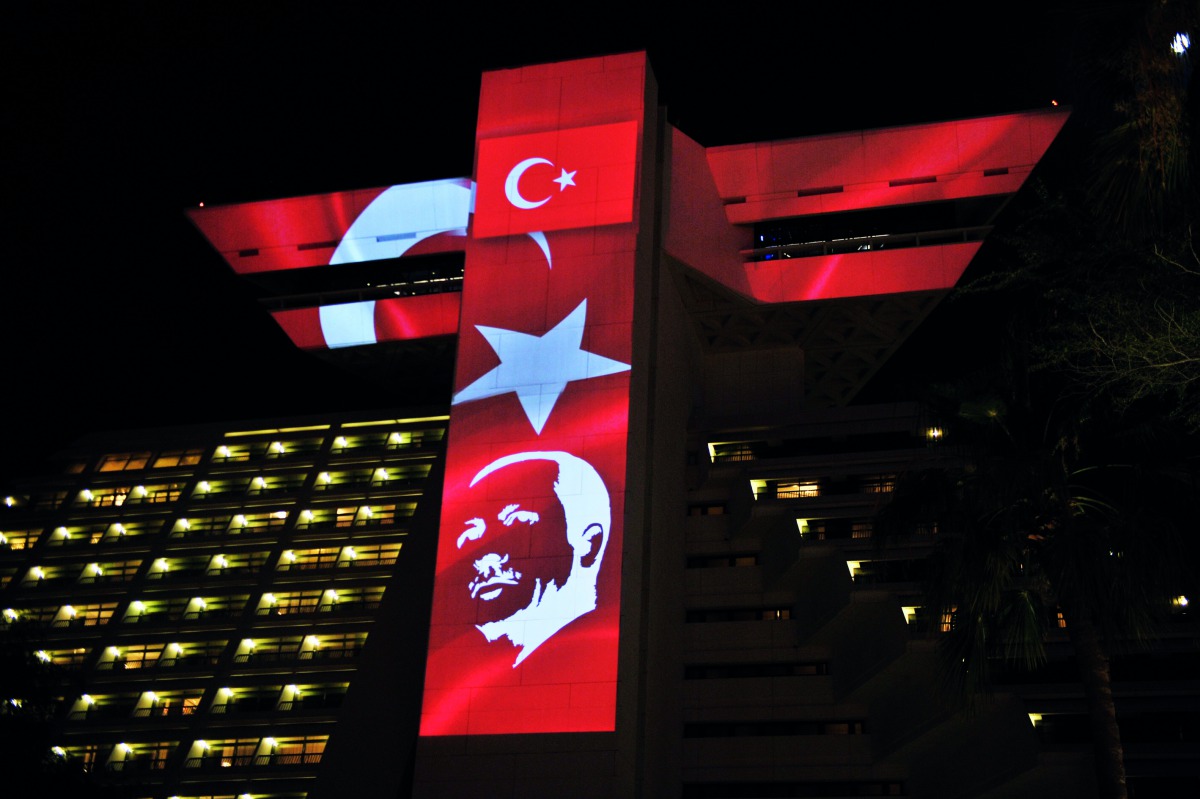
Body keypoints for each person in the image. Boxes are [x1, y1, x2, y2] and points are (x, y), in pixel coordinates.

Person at [454, 450, 610, 666]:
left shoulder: (598, 656)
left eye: (516, 524)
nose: (487, 559)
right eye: (473, 534)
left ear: (589, 544)